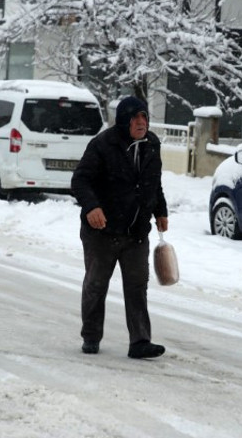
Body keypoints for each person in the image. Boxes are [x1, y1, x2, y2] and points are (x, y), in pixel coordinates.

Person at [71, 96, 169, 359]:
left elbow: (153, 182)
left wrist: (160, 210)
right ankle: (91, 336)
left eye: (144, 117)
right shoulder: (103, 145)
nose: (141, 122)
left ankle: (140, 341)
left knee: (137, 286)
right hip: (102, 230)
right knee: (96, 285)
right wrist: (92, 207)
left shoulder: (152, 144)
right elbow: (80, 180)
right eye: (136, 118)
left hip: (136, 230)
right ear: (124, 120)